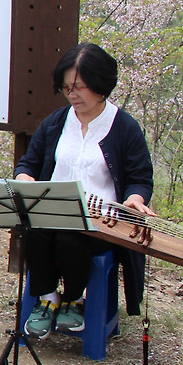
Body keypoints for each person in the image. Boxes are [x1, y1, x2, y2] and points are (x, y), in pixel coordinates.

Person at [16, 42, 154, 339]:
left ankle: (75, 299)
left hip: (100, 223)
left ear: (101, 85)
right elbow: (29, 162)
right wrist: (25, 177)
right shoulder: (56, 122)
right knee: (35, 232)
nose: (72, 95)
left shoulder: (124, 127)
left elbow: (140, 177)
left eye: (79, 87)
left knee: (70, 239)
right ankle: (48, 299)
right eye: (66, 88)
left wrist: (134, 199)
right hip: (53, 213)